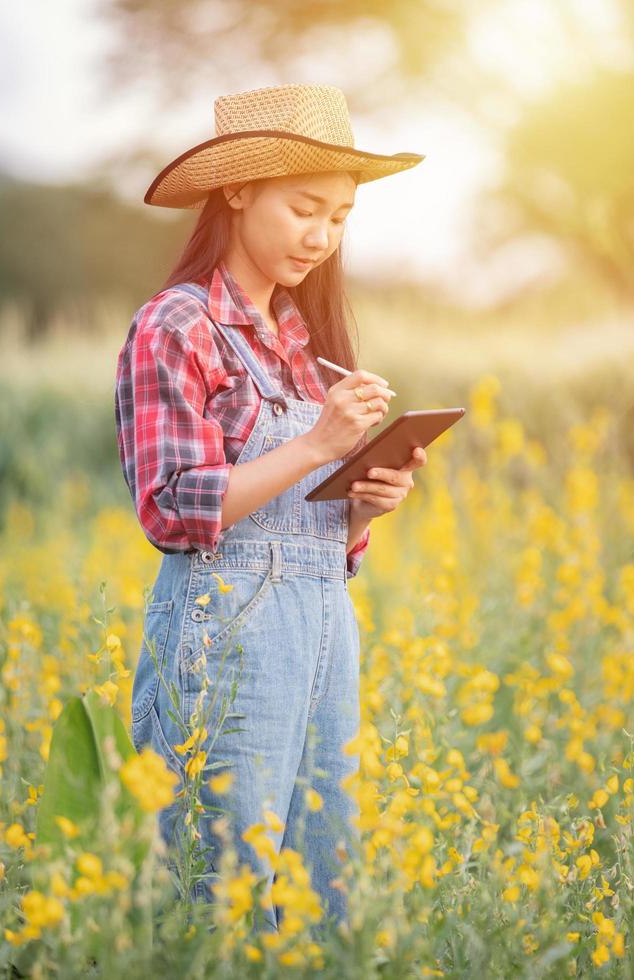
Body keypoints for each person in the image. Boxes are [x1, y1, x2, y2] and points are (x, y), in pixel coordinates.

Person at [114, 84, 427, 932]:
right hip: (225, 630)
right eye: (305, 208)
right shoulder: (175, 327)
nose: (322, 237)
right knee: (223, 892)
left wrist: (363, 507)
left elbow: (308, 527)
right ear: (238, 192)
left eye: (339, 217)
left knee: (318, 891)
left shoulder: (304, 346)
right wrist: (321, 445)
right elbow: (173, 510)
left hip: (324, 629)